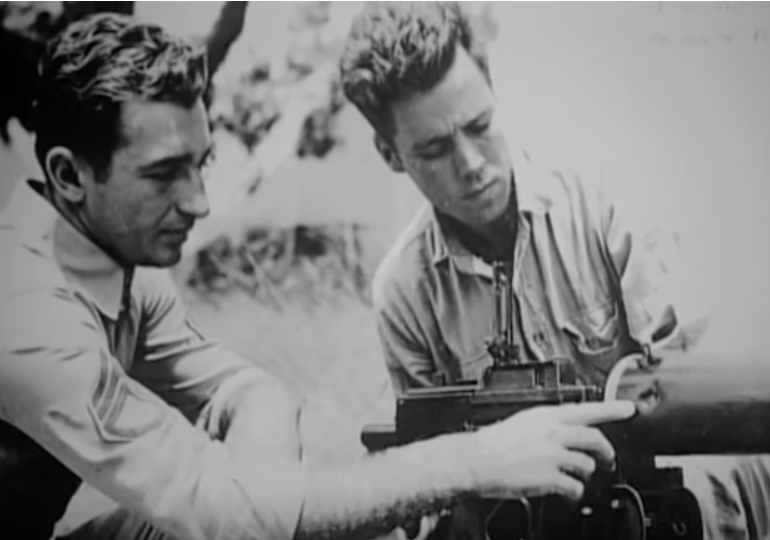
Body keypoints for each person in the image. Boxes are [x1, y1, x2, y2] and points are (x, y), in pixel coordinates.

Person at [0, 12, 636, 540]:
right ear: (67, 175)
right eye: (164, 174)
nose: (199, 202)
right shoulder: (25, 316)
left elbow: (252, 392)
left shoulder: (123, 261)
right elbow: (224, 505)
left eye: (201, 165)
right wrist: (477, 461)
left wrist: (263, 502)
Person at [339, 2, 770, 540]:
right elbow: (434, 490)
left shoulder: (607, 195)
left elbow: (708, 409)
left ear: (494, 92)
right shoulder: (403, 293)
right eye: (435, 148)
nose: (471, 164)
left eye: (479, 125)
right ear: (391, 155)